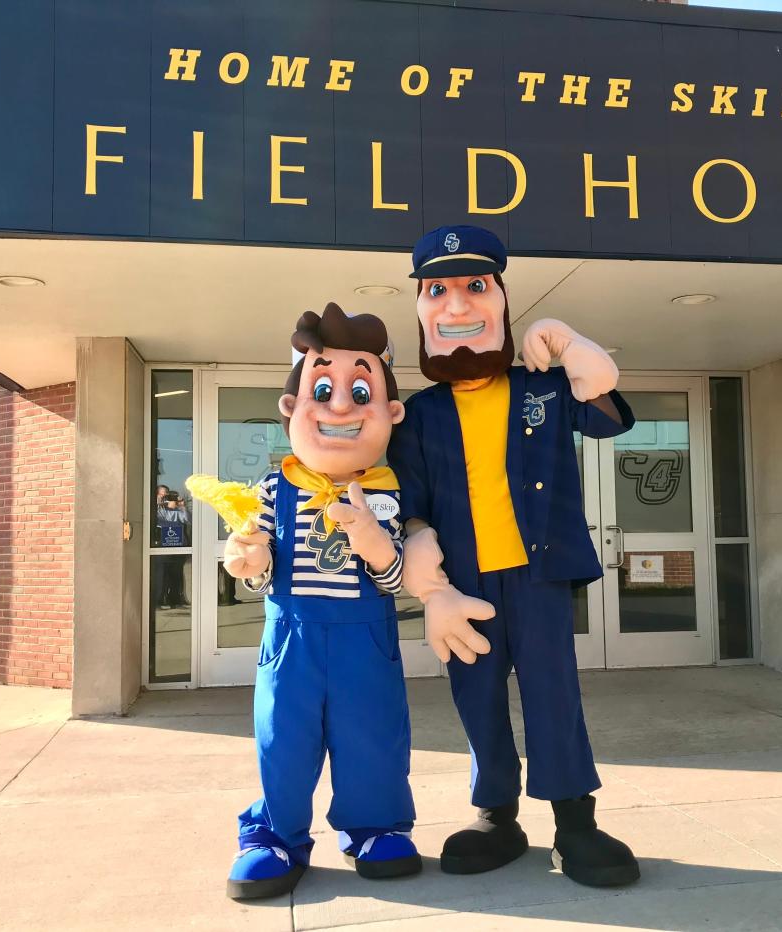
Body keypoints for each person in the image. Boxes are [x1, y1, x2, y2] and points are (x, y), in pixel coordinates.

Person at [389, 225, 640, 888]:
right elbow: (408, 498)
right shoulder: (419, 413)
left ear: (501, 298)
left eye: (476, 286)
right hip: (463, 585)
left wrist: (569, 342)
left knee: (553, 694)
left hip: (539, 575)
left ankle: (574, 819)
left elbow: (611, 416)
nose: (458, 303)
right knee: (476, 698)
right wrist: (419, 547)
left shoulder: (543, 390)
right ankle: (496, 812)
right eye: (438, 289)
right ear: (420, 307)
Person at [220, 304, 420, 899]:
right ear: (291, 409)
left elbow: (397, 579)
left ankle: (375, 826)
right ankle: (276, 836)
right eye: (323, 389)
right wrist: (249, 565)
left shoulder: (385, 493)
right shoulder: (271, 487)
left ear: (391, 412)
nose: (340, 406)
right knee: (284, 737)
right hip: (292, 638)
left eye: (361, 390)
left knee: (373, 736)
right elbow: (257, 567)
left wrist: (374, 545)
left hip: (366, 638)